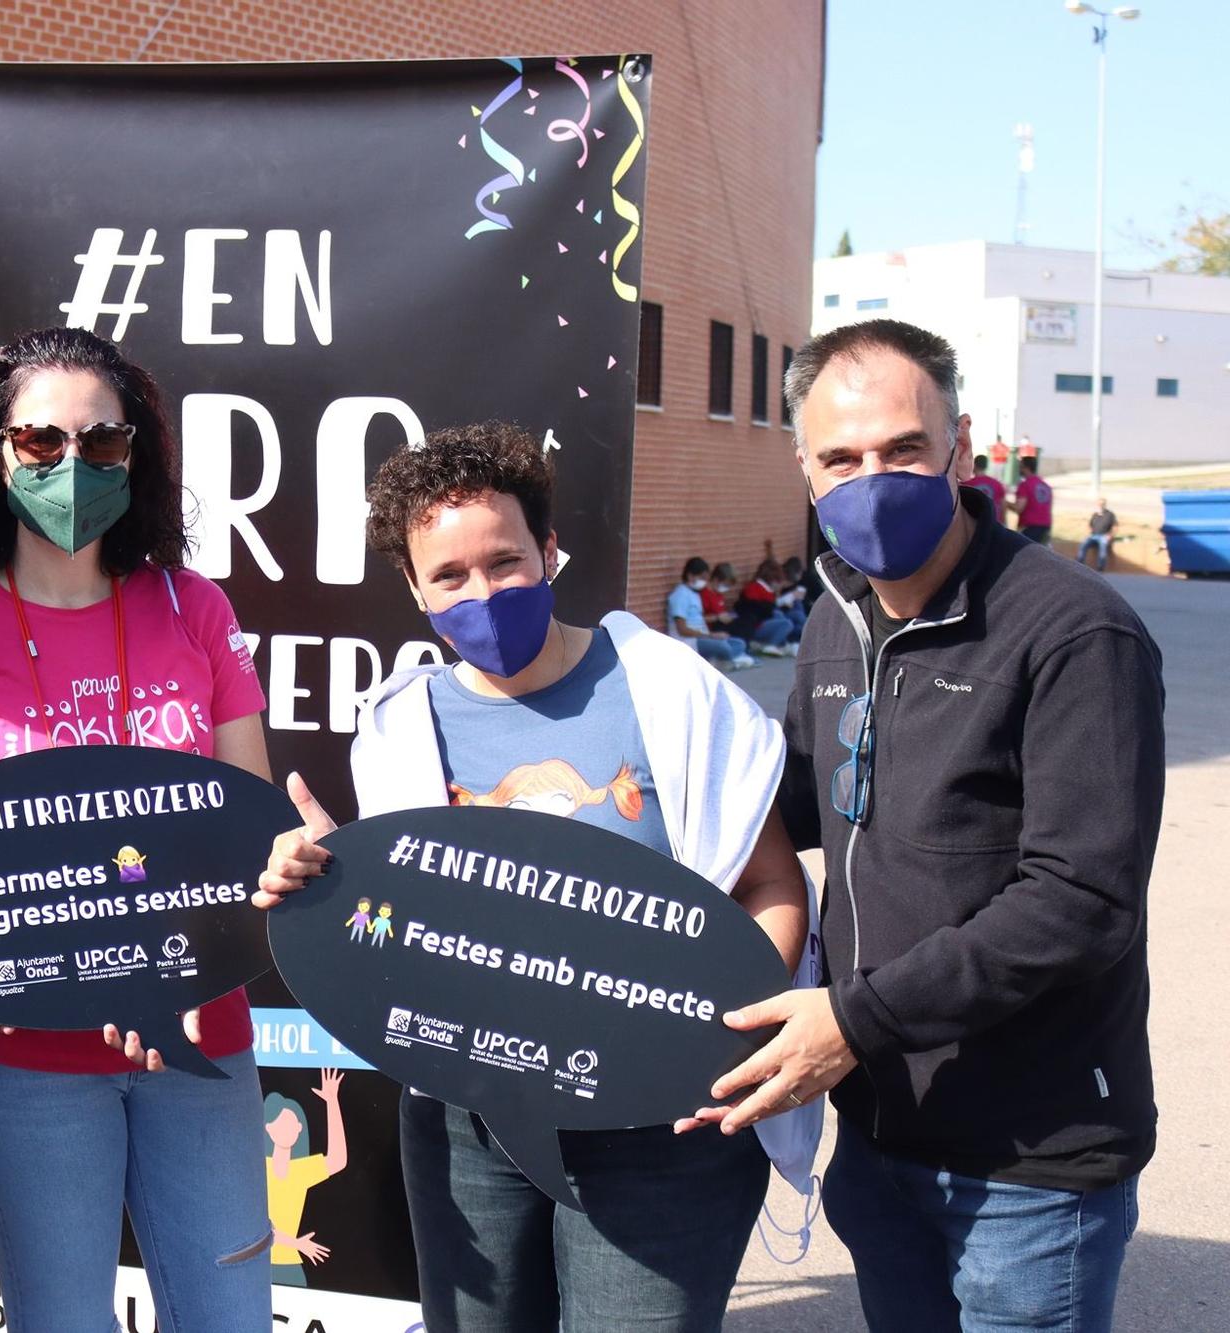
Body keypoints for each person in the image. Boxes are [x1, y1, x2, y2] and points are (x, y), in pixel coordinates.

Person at [258, 423, 822, 1332]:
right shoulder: (402, 726)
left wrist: (708, 1048)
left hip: (660, 1130)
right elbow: (400, 933)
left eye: (505, 561)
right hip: (470, 1124)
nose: (481, 591)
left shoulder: (666, 688)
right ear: (414, 587)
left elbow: (770, 885)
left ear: (550, 551)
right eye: (449, 575)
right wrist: (325, 883)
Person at [690, 319, 1162, 1332]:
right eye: (840, 458)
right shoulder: (835, 618)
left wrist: (853, 1021)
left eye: (901, 449)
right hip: (880, 1133)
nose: (871, 478)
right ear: (803, 472)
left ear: (957, 446)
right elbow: (791, 806)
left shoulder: (1071, 629)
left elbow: (1080, 901)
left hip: (1028, 1158)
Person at [0, 326, 274, 1329]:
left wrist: (285, 858)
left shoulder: (195, 608)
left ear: (133, 454)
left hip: (200, 1041)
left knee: (228, 1316)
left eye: (99, 443)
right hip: (25, 1061)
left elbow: (247, 819)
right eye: (40, 443)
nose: (71, 466)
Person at [262, 1069, 349, 1287]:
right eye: (282, 1123)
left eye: (293, 1124)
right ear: (268, 1128)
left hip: (291, 1267)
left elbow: (338, 1159)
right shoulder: (258, 1167)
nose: (289, 1129)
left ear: (300, 1129)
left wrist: (332, 1101)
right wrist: (297, 1244)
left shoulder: (299, 1171)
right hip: (258, 1263)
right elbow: (255, 1224)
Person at [667, 556, 756, 669]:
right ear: (690, 576)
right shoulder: (680, 595)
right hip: (690, 641)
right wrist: (711, 635)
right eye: (702, 578)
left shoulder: (694, 594)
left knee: (739, 643)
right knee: (723, 646)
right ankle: (725, 661)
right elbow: (682, 630)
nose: (704, 582)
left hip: (703, 637)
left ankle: (722, 661)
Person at [729, 559, 798, 655]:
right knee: (786, 623)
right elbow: (755, 609)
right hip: (755, 625)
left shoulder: (767, 590)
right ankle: (771, 645)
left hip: (762, 621)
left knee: (782, 615)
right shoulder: (754, 588)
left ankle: (783, 643)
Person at [1009, 453, 1054, 548]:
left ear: (1025, 467)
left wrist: (1005, 503)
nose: (1019, 469)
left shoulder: (1025, 485)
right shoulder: (1046, 486)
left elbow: (1019, 508)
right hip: (1046, 526)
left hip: (1030, 527)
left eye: (1020, 466)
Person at [963, 451, 1006, 522]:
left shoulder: (966, 484)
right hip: (993, 522)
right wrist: (1003, 522)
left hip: (974, 524)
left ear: (974, 465)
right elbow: (1003, 505)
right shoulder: (997, 484)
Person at [1080, 497, 1117, 571]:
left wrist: (1110, 535)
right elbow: (1089, 525)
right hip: (1093, 536)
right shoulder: (1095, 514)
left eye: (1102, 504)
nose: (1100, 505)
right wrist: (1089, 533)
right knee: (1083, 544)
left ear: (1105, 505)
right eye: (1099, 504)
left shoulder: (1110, 514)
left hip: (1104, 536)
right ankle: (1079, 564)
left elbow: (1115, 526)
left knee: (1103, 547)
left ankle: (1100, 567)